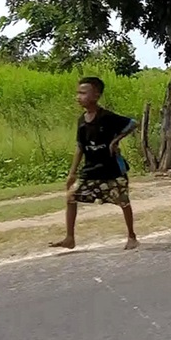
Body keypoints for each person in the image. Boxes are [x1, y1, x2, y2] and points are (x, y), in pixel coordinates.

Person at [50, 77, 139, 251]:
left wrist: (116, 140)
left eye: (83, 93)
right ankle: (70, 238)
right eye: (78, 93)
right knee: (71, 196)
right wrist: (72, 173)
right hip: (91, 170)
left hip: (112, 170)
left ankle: (132, 236)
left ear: (96, 95)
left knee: (123, 202)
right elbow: (80, 147)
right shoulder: (81, 121)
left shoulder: (107, 117)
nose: (78, 96)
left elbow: (133, 123)